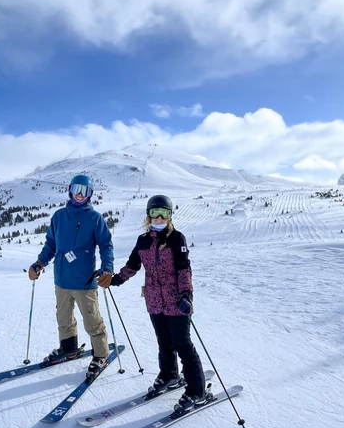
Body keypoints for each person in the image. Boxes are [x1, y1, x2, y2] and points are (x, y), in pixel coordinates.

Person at [100, 194, 212, 414]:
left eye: (164, 213)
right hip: (154, 301)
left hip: (176, 301)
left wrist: (187, 295)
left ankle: (197, 391)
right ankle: (169, 375)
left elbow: (184, 269)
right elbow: (132, 265)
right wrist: (115, 280)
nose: (159, 218)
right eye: (154, 213)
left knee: (183, 345)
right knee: (164, 342)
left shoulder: (177, 238)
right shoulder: (143, 241)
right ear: (148, 215)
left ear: (170, 216)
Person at [28, 174, 114, 379]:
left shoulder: (95, 219)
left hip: (85, 281)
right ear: (70, 190)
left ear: (90, 194)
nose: (80, 195)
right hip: (62, 280)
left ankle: (101, 354)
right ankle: (69, 348)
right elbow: (51, 244)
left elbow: (106, 245)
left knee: (92, 320)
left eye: (85, 191)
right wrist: (39, 263)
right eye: (77, 189)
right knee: (63, 318)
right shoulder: (59, 216)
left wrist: (107, 269)